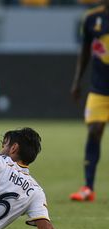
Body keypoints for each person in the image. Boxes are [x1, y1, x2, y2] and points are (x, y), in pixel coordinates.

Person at [70, 1, 109, 202]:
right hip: (99, 89)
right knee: (94, 131)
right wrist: (77, 81)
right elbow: (85, 51)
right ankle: (88, 187)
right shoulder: (92, 18)